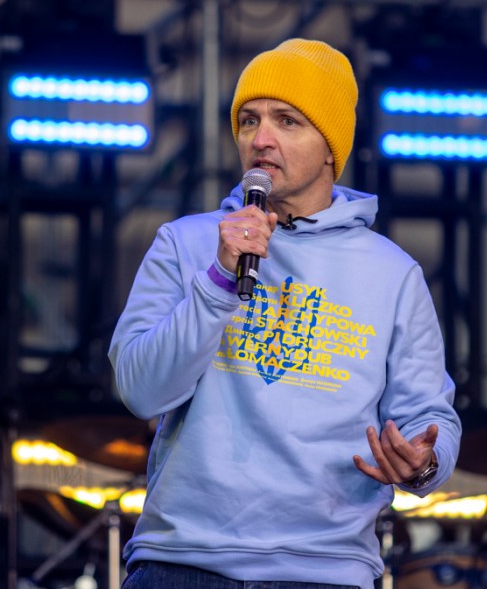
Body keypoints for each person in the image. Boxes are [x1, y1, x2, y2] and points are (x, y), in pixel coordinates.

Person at [108, 38, 462, 588]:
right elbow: (140, 390)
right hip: (183, 563)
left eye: (287, 121)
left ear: (331, 147)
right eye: (249, 120)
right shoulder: (185, 243)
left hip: (325, 570)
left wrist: (422, 466)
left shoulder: (392, 273)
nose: (261, 139)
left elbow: (429, 419)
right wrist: (218, 280)